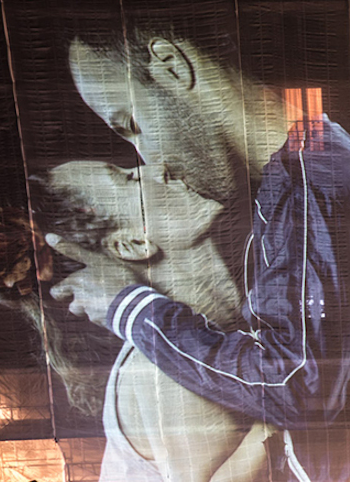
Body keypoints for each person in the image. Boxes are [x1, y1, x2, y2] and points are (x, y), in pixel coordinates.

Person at [49, 33, 350, 481]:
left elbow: (297, 387)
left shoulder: (312, 193)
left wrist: (128, 306)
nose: (150, 158)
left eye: (131, 122)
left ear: (170, 65)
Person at [41, 160, 274, 481]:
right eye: (127, 178)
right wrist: (296, 402)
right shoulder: (160, 371)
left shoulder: (218, 324)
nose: (158, 168)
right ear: (133, 244)